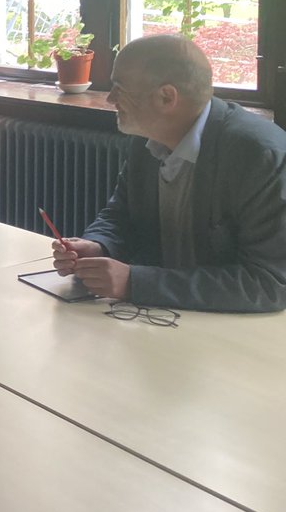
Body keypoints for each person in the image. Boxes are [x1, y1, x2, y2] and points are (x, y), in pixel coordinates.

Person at [51, 34, 286, 312]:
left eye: (119, 88)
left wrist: (135, 282)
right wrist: (99, 245)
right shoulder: (148, 137)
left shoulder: (259, 156)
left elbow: (269, 283)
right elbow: (121, 215)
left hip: (240, 334)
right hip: (166, 316)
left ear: (166, 97)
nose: (110, 98)